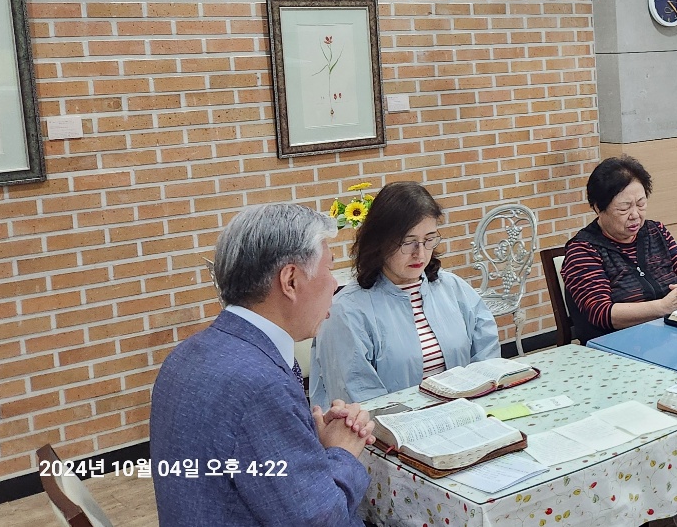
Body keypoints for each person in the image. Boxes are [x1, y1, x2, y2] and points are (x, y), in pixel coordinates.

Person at [151, 203, 375, 526]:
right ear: (290, 281)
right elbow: (323, 520)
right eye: (330, 268)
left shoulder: (185, 354)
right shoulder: (261, 386)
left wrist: (306, 441)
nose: (335, 284)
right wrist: (341, 452)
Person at [310, 182, 500, 407]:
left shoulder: (453, 288)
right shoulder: (346, 312)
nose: (420, 253)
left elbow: (487, 361)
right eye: (408, 242)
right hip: (392, 426)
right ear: (380, 242)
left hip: (464, 416)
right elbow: (360, 400)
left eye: (429, 239)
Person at [561, 156, 677, 341]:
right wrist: (663, 307)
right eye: (624, 208)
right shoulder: (583, 250)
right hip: (616, 345)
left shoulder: (656, 232)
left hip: (672, 336)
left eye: (641, 204)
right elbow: (601, 313)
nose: (635, 215)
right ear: (598, 208)